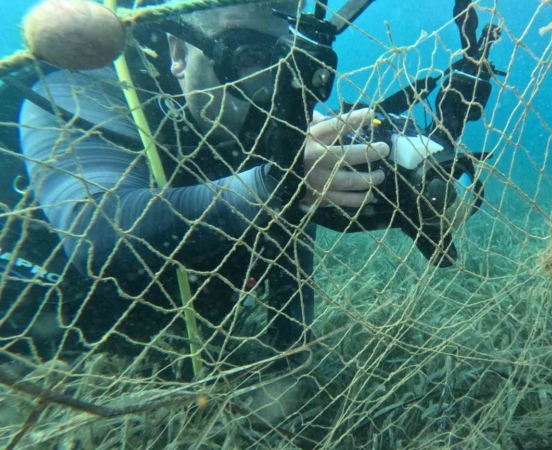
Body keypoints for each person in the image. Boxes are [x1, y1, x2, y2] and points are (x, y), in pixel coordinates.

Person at [2, 0, 388, 374]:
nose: (272, 88)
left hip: (175, 332)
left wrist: (291, 360)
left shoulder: (273, 105)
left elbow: (290, 250)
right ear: (179, 52)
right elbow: (95, 231)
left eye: (291, 63)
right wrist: (271, 186)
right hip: (37, 340)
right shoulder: (88, 85)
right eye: (251, 59)